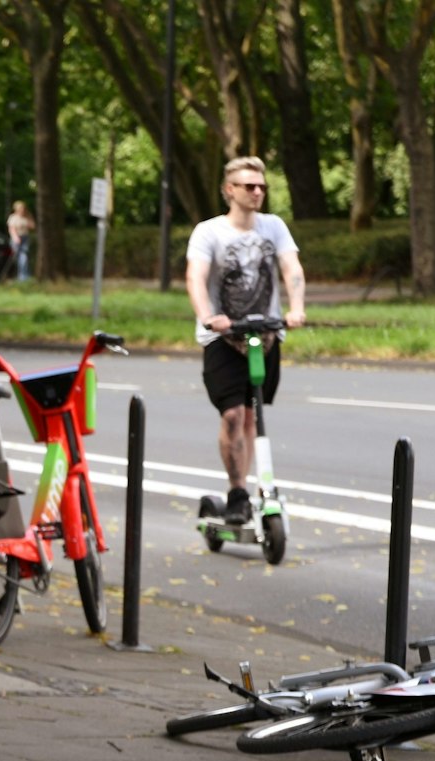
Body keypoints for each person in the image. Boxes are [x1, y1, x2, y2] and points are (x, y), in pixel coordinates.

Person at [185, 156, 306, 523]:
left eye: (262, 186)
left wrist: (296, 307)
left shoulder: (274, 226)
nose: (258, 192)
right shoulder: (209, 232)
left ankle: (254, 490)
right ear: (229, 190)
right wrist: (208, 316)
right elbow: (196, 276)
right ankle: (237, 492)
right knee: (233, 414)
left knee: (253, 414)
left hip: (265, 335)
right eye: (249, 186)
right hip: (223, 338)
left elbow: (291, 267)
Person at [6, 199, 36, 283]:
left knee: (24, 257)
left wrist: (28, 218)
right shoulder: (13, 217)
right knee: (17, 258)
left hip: (25, 238)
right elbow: (11, 229)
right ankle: (20, 275)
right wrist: (15, 237)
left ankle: (24, 276)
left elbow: (33, 226)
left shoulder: (26, 217)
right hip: (16, 239)